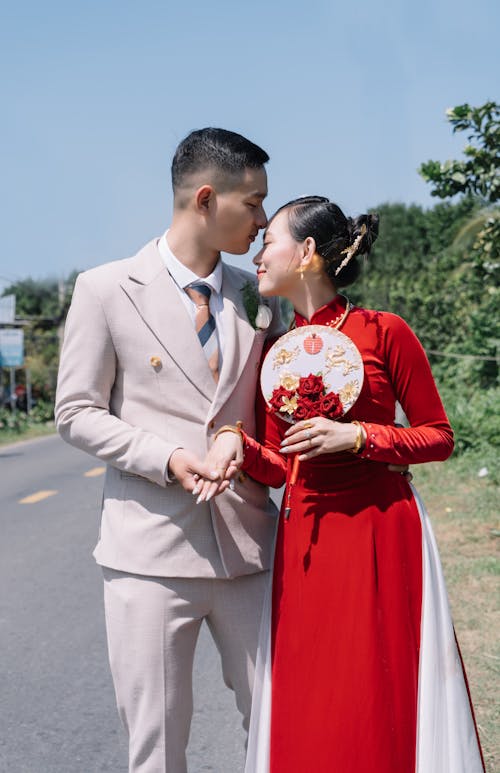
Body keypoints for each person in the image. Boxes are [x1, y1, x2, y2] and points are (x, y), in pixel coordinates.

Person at [205, 196, 485, 772]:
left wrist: (360, 438)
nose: (259, 254)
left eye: (271, 240)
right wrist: (239, 443)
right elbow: (287, 467)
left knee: (380, 685)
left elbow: (439, 436)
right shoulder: (272, 352)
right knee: (314, 692)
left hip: (382, 528)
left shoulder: (385, 331)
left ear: (307, 253)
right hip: (306, 536)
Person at [54, 127, 284, 773]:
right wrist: (165, 457)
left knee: (277, 726)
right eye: (254, 202)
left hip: (251, 549)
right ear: (206, 199)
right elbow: (75, 413)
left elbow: (278, 406)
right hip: (149, 554)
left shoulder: (261, 297)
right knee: (156, 745)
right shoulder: (104, 288)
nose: (264, 220)